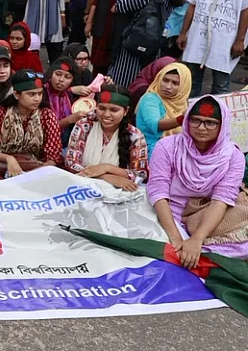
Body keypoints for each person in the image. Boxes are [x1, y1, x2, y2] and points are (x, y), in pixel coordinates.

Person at [148, 95, 248, 265]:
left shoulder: (233, 156)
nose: (201, 127)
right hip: (170, 212)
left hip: (205, 214)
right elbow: (158, 192)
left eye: (210, 122)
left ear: (222, 126)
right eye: (195, 120)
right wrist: (175, 237)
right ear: (186, 120)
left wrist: (197, 239)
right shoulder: (167, 146)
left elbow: (221, 199)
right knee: (166, 252)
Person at [108, 0, 186, 87]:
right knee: (143, 81)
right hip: (154, 45)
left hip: (135, 41)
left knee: (123, 81)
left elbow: (117, 8)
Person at [0, 69, 63, 179]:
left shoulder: (47, 115)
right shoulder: (0, 112)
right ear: (16, 95)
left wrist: (36, 174)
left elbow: (54, 155)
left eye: (39, 94)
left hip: (38, 170)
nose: (37, 99)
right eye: (31, 94)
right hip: (2, 168)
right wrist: (9, 159)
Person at [66, 85, 149, 191]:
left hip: (117, 191)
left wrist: (106, 167)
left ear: (125, 111)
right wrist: (104, 177)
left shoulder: (135, 135)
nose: (106, 115)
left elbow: (141, 175)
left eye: (114, 110)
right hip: (81, 186)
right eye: (102, 108)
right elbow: (71, 163)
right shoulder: (84, 125)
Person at [135, 62, 192, 157]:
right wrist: (181, 119)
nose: (168, 86)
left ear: (184, 87)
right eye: (165, 80)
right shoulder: (150, 99)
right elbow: (155, 124)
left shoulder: (182, 103)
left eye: (175, 83)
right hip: (150, 152)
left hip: (175, 152)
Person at [44, 56, 83, 146]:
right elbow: (43, 129)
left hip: (65, 142)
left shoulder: (67, 96)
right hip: (46, 144)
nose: (61, 80)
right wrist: (68, 120)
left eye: (67, 77)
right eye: (58, 74)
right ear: (51, 74)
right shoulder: (41, 94)